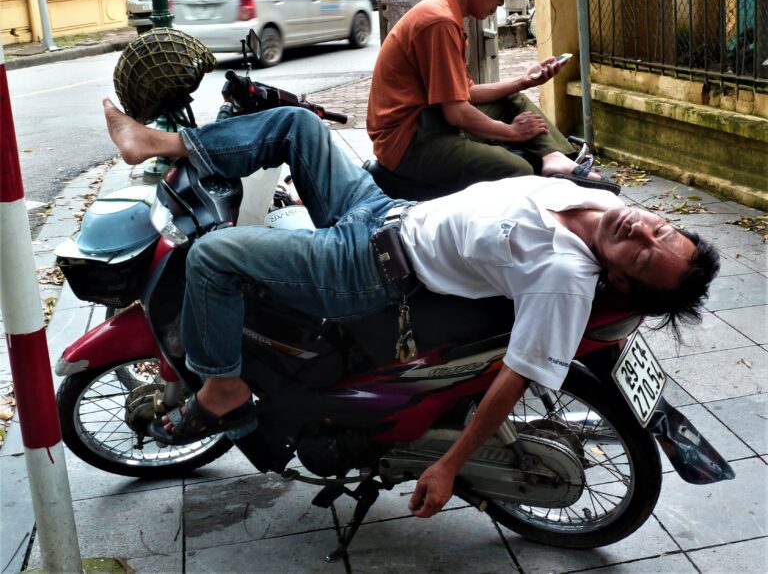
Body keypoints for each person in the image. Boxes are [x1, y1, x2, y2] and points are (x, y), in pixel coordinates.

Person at [103, 100, 719, 518]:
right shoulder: (584, 194)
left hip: (366, 268)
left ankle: (222, 385)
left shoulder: (566, 275)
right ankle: (157, 142)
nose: (643, 233)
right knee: (296, 123)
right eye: (660, 230)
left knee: (213, 256)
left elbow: (518, 374)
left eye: (641, 259)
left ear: (617, 277)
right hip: (384, 212)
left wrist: (452, 466)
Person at [367, 0, 604, 193]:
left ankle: (555, 158)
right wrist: (511, 132)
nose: (500, 3)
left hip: (429, 120)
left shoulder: (445, 13)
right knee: (519, 169)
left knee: (514, 98)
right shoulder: (440, 22)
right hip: (408, 141)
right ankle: (550, 173)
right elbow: (456, 112)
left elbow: (465, 93)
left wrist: (523, 80)